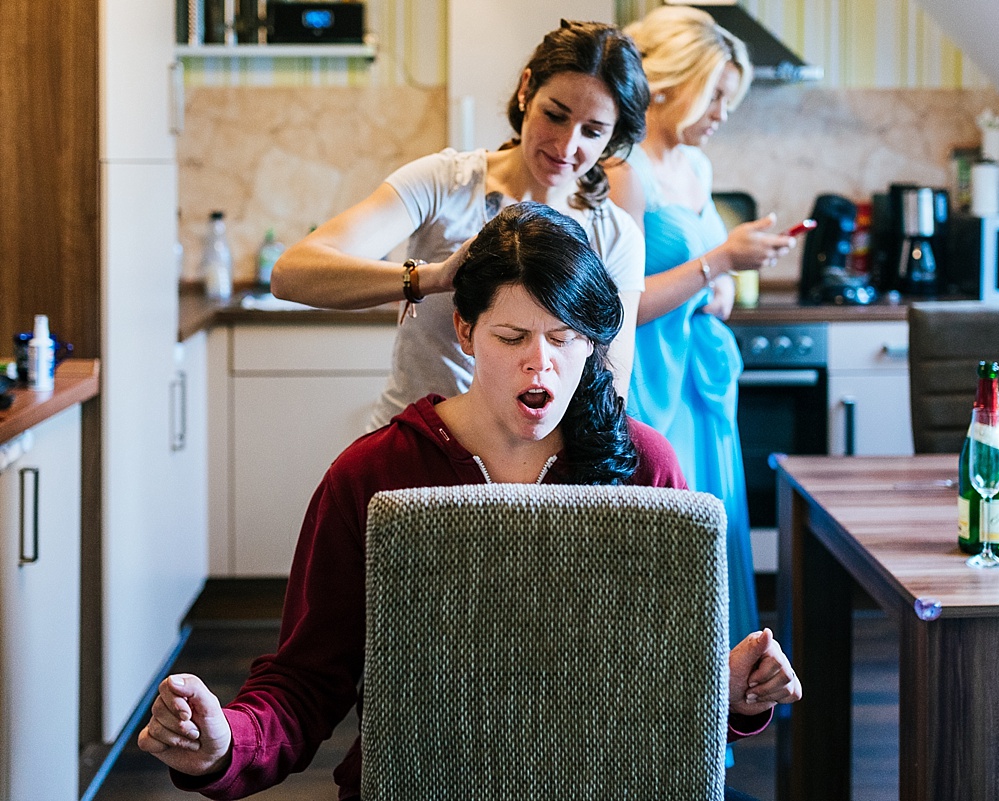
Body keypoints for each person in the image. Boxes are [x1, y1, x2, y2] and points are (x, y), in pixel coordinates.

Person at [139, 204, 802, 801]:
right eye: (512, 338)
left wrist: (736, 691)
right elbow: (303, 684)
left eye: (565, 337)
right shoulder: (373, 474)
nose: (539, 365)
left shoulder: (645, 465)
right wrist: (224, 741)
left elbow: (676, 685)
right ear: (464, 329)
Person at [270, 20, 650, 430]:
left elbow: (611, 388)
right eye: (554, 115)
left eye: (592, 132)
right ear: (526, 90)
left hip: (531, 466)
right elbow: (291, 275)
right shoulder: (444, 183)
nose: (566, 146)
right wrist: (430, 278)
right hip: (416, 450)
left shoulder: (615, 236)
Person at [607, 5, 795, 647]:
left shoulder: (697, 169)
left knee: (711, 540)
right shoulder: (622, 170)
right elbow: (614, 307)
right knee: (662, 558)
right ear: (666, 82)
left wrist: (723, 285)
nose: (721, 113)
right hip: (648, 388)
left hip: (703, 390)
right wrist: (720, 260)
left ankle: (716, 719)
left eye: (728, 100)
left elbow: (700, 282)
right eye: (714, 95)